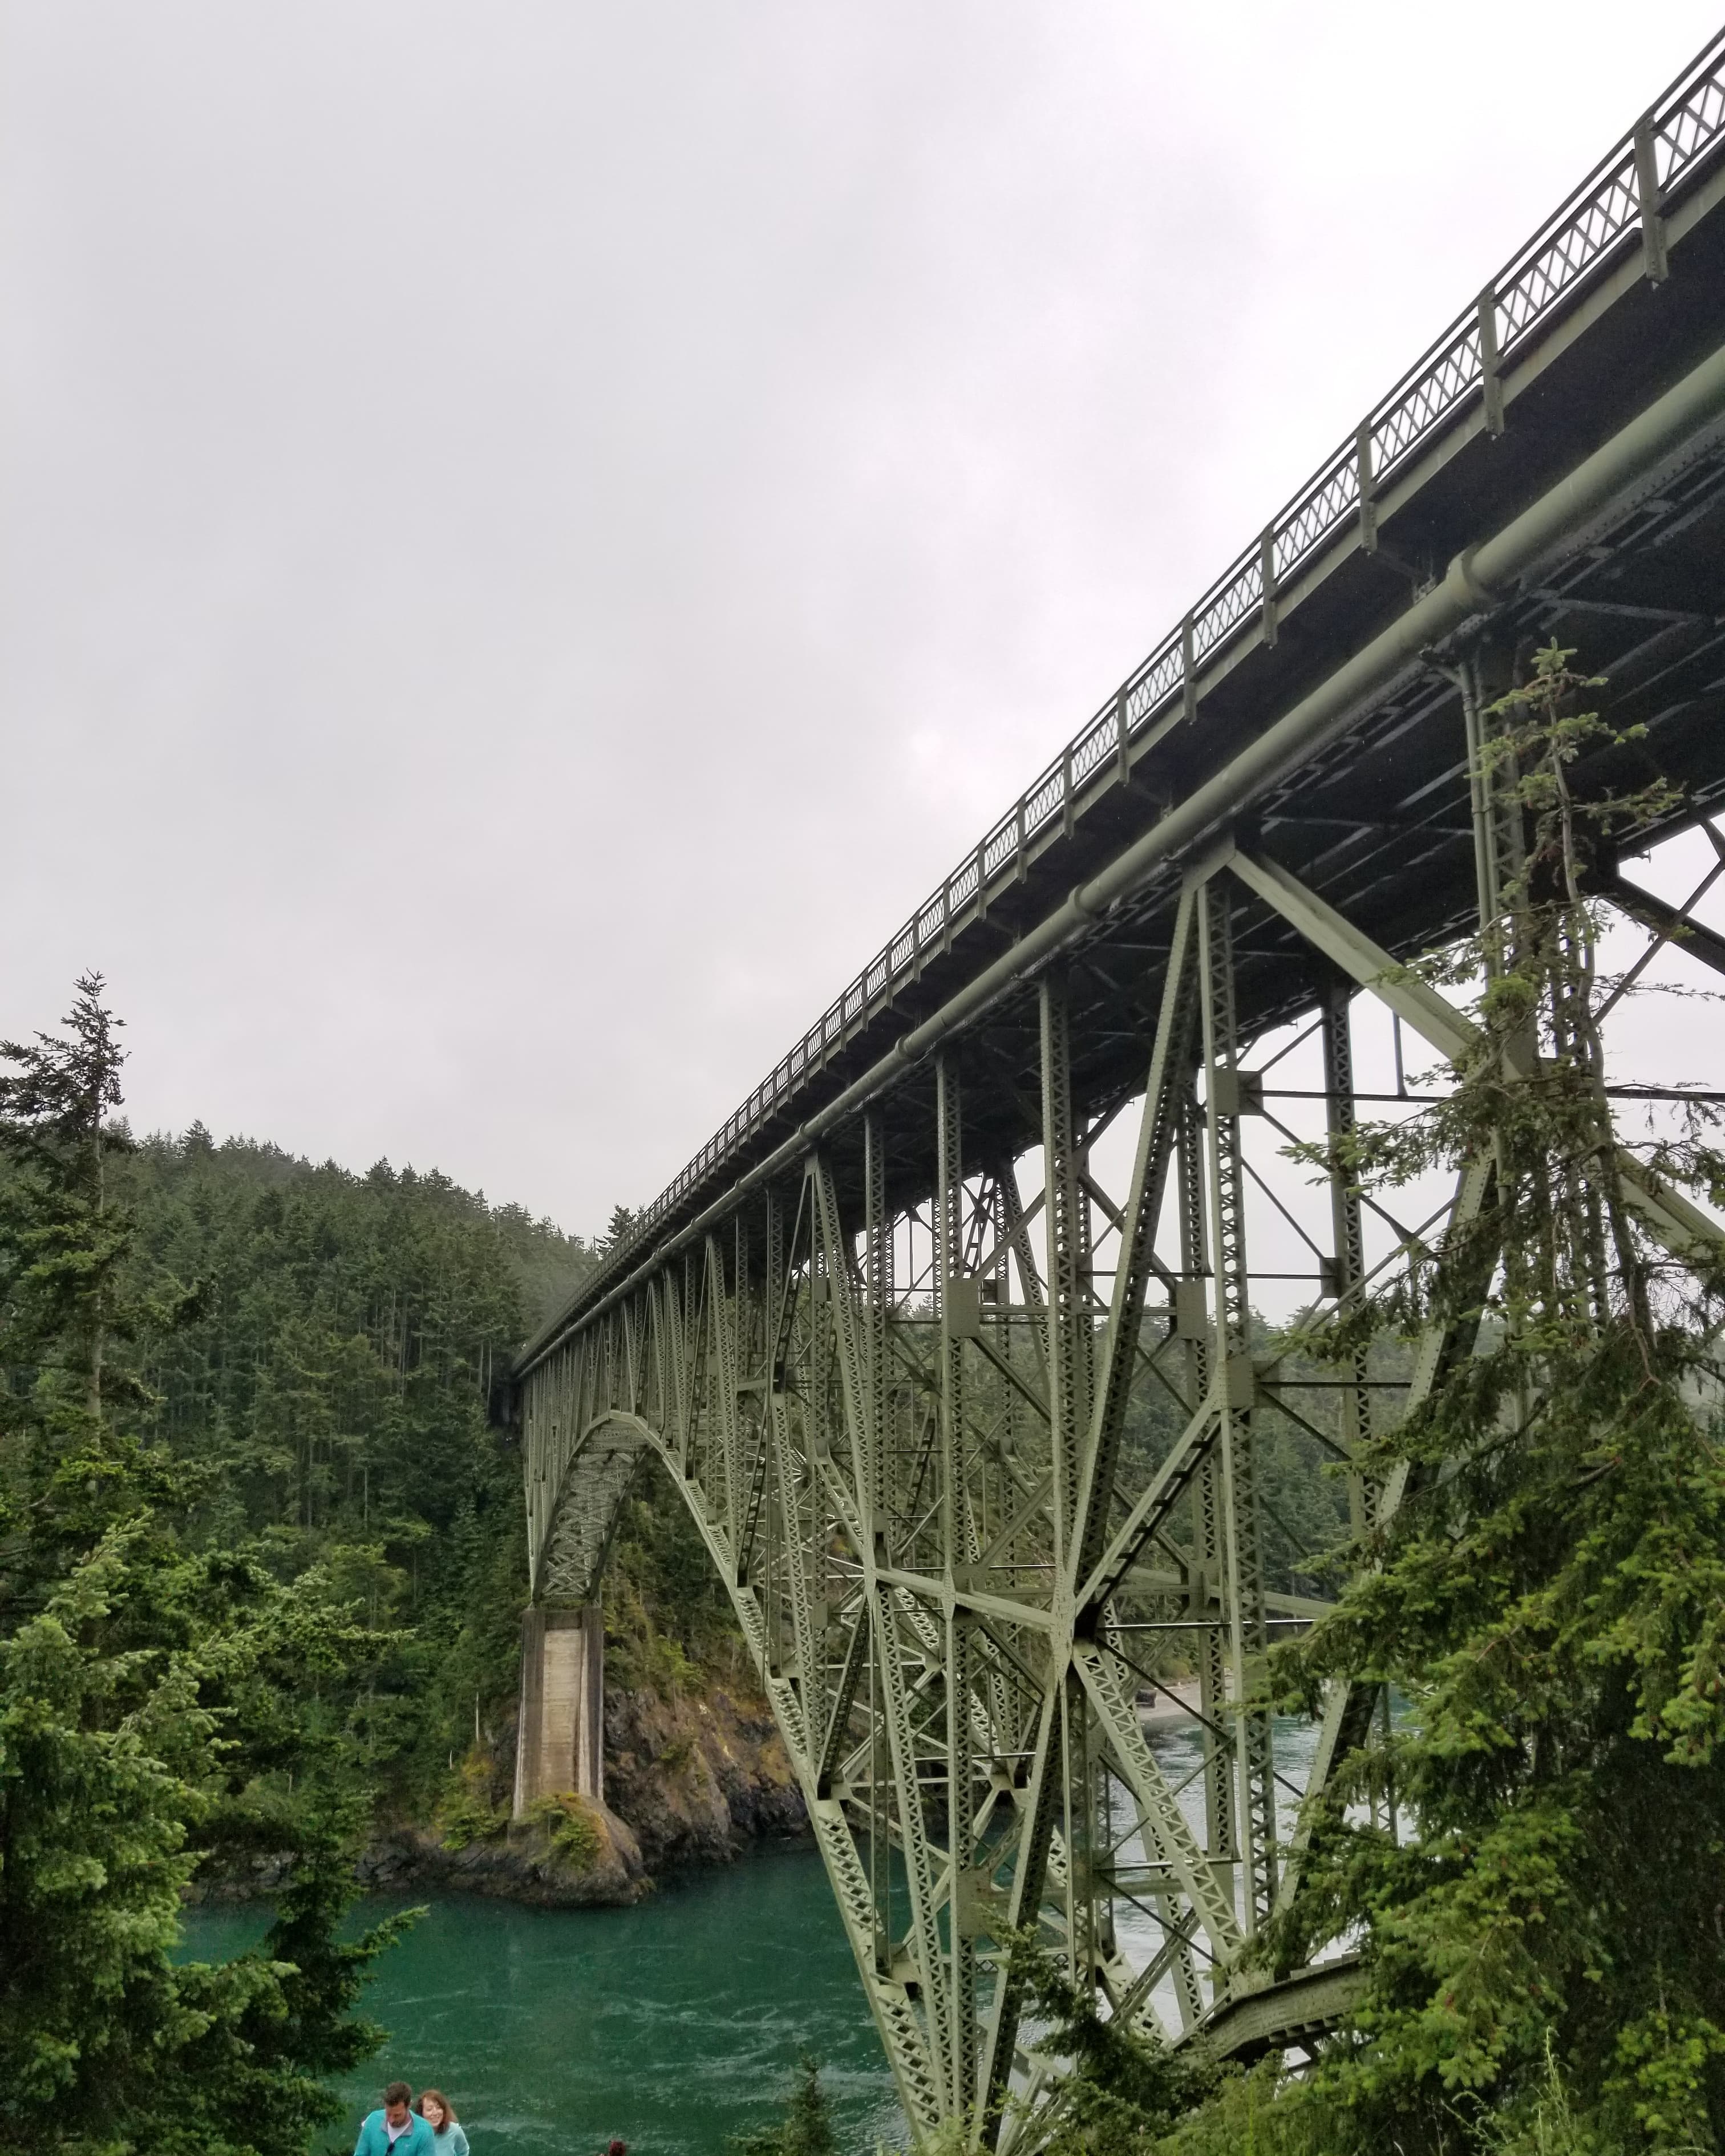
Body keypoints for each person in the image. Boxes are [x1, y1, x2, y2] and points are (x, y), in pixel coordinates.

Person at [354, 2083, 436, 2156]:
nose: (391, 2120)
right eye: (388, 2114)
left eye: (397, 2115)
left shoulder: (424, 2132)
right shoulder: (373, 2120)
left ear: (409, 2106)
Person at [417, 2090, 469, 2156]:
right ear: (421, 2113)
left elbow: (463, 2152)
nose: (435, 2113)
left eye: (439, 2108)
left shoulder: (454, 2131)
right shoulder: (414, 2135)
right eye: (429, 2109)